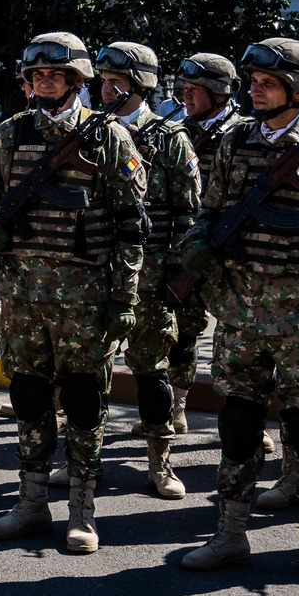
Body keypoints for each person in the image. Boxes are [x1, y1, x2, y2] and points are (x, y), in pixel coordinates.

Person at [173, 39, 299, 587]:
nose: (255, 90)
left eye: (267, 82)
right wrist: (196, 241)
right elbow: (208, 211)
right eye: (252, 82)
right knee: (237, 422)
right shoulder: (235, 140)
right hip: (240, 314)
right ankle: (230, 534)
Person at [0, 34, 148, 553]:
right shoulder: (10, 133)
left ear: (76, 82)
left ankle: (82, 510)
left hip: (85, 298)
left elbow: (132, 226)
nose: (44, 83)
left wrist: (124, 299)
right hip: (22, 295)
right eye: (37, 76)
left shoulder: (109, 138)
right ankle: (30, 503)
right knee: (26, 395)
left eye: (55, 76)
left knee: (83, 400)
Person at [91, 41, 200, 501]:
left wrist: (177, 276)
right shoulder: (88, 133)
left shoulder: (170, 138)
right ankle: (84, 460)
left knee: (152, 372)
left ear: (142, 86)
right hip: (95, 275)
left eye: (117, 82)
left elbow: (190, 215)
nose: (105, 88)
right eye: (103, 81)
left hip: (151, 280)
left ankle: (161, 463)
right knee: (87, 373)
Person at [166, 54, 244, 450]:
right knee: (183, 331)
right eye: (184, 87)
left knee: (242, 339)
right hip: (188, 246)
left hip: (233, 251)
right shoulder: (176, 130)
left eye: (195, 90)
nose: (186, 95)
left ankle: (248, 419)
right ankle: (176, 407)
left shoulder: (244, 134)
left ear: (218, 94)